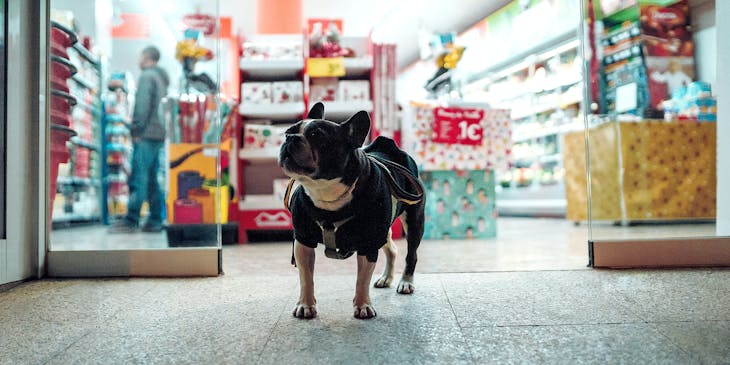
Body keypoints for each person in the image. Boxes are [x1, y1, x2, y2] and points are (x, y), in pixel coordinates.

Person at [111, 46, 170, 233]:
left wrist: (136, 129)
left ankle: (132, 219)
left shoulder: (147, 76)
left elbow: (143, 105)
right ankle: (155, 219)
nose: (139, 60)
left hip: (146, 133)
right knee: (152, 178)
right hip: (158, 133)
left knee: (139, 176)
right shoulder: (161, 78)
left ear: (146, 57)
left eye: (140, 56)